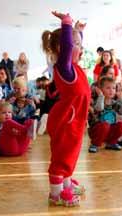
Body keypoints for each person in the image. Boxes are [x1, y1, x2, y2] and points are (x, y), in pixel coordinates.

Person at [41, 11, 90, 206]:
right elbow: (69, 45)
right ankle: (55, 193)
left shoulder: (74, 67)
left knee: (71, 153)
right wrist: (67, 23)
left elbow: (74, 43)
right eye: (76, 44)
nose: (80, 47)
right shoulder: (64, 66)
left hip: (75, 120)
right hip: (66, 121)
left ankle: (67, 183)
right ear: (64, 49)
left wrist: (78, 30)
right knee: (62, 156)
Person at [88, 77, 122, 153]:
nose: (111, 90)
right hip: (96, 131)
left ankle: (111, 143)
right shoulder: (97, 101)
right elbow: (99, 109)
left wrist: (121, 98)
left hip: (109, 131)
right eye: (108, 88)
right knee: (105, 125)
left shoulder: (114, 103)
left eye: (113, 88)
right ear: (100, 90)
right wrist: (101, 96)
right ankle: (94, 144)